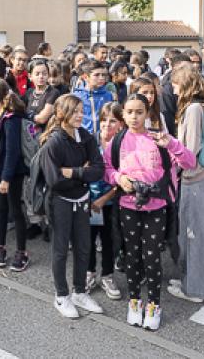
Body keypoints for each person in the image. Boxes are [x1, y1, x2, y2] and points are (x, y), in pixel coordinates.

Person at [106, 93, 196, 331]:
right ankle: (135, 301)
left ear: (147, 114)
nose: (134, 117)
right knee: (132, 257)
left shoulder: (159, 139)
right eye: (129, 112)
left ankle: (154, 304)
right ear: (123, 114)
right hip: (128, 206)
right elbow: (107, 168)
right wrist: (119, 178)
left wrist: (173, 144)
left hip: (157, 207)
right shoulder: (117, 141)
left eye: (139, 112)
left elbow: (190, 162)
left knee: (152, 257)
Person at [40, 94, 106, 318]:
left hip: (82, 200)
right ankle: (61, 296)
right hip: (60, 201)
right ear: (61, 114)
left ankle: (79, 291)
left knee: (84, 247)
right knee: (60, 251)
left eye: (81, 110)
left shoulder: (85, 136)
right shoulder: (54, 142)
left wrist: (74, 172)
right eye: (75, 111)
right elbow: (54, 180)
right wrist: (83, 174)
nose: (80, 115)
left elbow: (99, 170)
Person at [166, 65, 204, 303]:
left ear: (185, 85)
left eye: (176, 85)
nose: (174, 91)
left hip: (195, 177)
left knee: (193, 234)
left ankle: (194, 289)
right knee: (200, 232)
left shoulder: (193, 109)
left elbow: (191, 148)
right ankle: (193, 281)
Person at [0, 78, 30, 271]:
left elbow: (12, 151)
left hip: (12, 172)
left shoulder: (11, 119)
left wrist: (6, 178)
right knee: (1, 210)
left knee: (15, 210)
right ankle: (0, 247)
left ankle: (22, 251)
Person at [87, 102, 124, 301]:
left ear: (120, 124)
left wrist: (104, 199)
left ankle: (107, 275)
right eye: (104, 120)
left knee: (110, 240)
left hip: (111, 202)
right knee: (90, 238)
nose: (107, 125)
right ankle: (89, 272)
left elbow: (124, 179)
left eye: (112, 121)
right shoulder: (91, 142)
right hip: (91, 202)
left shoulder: (121, 145)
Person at [72, 60, 115, 134]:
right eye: (97, 75)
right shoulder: (76, 96)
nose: (101, 78)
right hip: (82, 138)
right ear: (86, 77)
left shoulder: (108, 95)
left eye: (103, 75)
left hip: (102, 137)